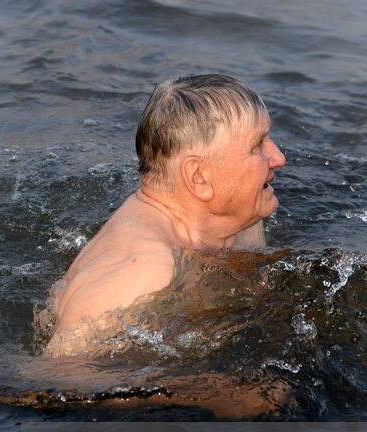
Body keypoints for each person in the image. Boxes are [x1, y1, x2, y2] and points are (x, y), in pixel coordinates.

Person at [45, 74, 286, 358]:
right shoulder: (143, 270)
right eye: (257, 146)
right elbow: (52, 382)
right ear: (199, 178)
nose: (279, 158)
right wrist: (212, 393)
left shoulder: (242, 219)